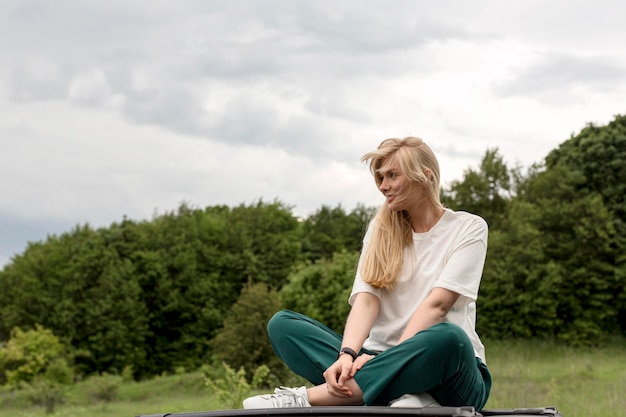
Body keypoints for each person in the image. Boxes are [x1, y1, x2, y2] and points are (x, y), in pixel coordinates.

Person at [243, 137, 492, 410]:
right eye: (381, 177)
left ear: (426, 176)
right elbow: (367, 299)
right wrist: (347, 356)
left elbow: (438, 305)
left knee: (449, 338)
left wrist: (396, 357)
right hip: (373, 359)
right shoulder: (381, 229)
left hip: (448, 371)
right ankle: (402, 395)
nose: (384, 186)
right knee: (283, 326)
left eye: (392, 175)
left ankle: (307, 398)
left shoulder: (469, 228)